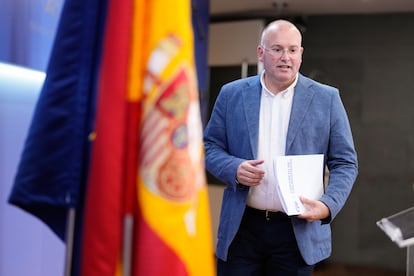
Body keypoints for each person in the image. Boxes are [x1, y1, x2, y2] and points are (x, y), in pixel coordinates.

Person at [203, 19, 358, 275]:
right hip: (242, 228)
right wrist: (234, 168)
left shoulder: (327, 98)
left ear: (301, 54)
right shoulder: (231, 94)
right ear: (261, 53)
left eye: (293, 50)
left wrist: (329, 204)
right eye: (277, 49)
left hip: (296, 232)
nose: (286, 57)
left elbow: (345, 162)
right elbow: (210, 146)